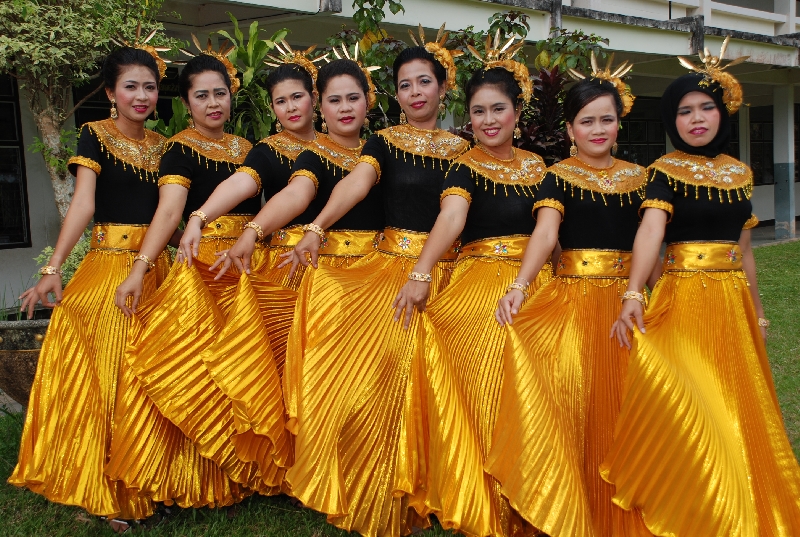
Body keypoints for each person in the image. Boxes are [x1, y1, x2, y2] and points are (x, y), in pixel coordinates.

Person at [603, 40, 800, 536]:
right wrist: (634, 292)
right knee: (694, 404)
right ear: (672, 120)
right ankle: (697, 503)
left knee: (738, 406)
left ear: (722, 112)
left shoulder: (740, 173)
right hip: (684, 299)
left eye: (706, 108)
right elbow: (650, 231)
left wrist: (757, 311)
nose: (696, 119)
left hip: (732, 303)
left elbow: (745, 250)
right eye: (684, 111)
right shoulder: (662, 172)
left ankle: (739, 506)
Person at [282, 30, 470, 537]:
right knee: (378, 385)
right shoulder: (383, 142)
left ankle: (441, 491)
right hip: (392, 274)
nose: (415, 93)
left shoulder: (467, 150)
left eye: (424, 82)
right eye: (405, 85)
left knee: (442, 390)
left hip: (451, 277)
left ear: (443, 87)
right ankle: (378, 491)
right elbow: (356, 184)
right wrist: (318, 226)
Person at [486, 56, 654, 537]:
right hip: (574, 302)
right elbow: (545, 235)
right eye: (587, 121)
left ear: (619, 125)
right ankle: (575, 507)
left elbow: (651, 243)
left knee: (631, 403)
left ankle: (634, 506)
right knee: (576, 401)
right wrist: (520, 285)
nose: (597, 129)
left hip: (627, 302)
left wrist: (652, 293)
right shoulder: (557, 176)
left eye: (606, 119)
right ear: (570, 130)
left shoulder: (642, 178)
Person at [392, 38, 548, 536]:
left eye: (497, 109)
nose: (487, 120)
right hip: (480, 281)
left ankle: (536, 496)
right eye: (478, 112)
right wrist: (421, 272)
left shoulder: (539, 167)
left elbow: (551, 232)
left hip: (537, 283)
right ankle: (482, 499)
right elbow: (452, 218)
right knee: (482, 385)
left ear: (517, 111)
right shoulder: (464, 165)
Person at [111, 46, 282, 496]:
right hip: (204, 266)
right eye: (201, 96)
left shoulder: (249, 149)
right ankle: (199, 478)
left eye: (220, 93)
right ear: (186, 103)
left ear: (231, 96)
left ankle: (249, 471)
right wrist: (141, 267)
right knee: (202, 367)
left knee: (246, 367)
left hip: (248, 264)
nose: (213, 104)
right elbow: (169, 212)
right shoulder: (179, 149)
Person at [9, 43, 168, 526]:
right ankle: (104, 485)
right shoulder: (93, 134)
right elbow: (83, 202)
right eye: (130, 87)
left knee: (152, 375)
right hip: (108, 264)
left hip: (157, 268)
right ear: (111, 93)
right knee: (105, 371)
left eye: (149, 87)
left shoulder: (166, 145)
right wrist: (54, 267)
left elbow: (172, 212)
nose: (141, 96)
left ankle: (153, 477)